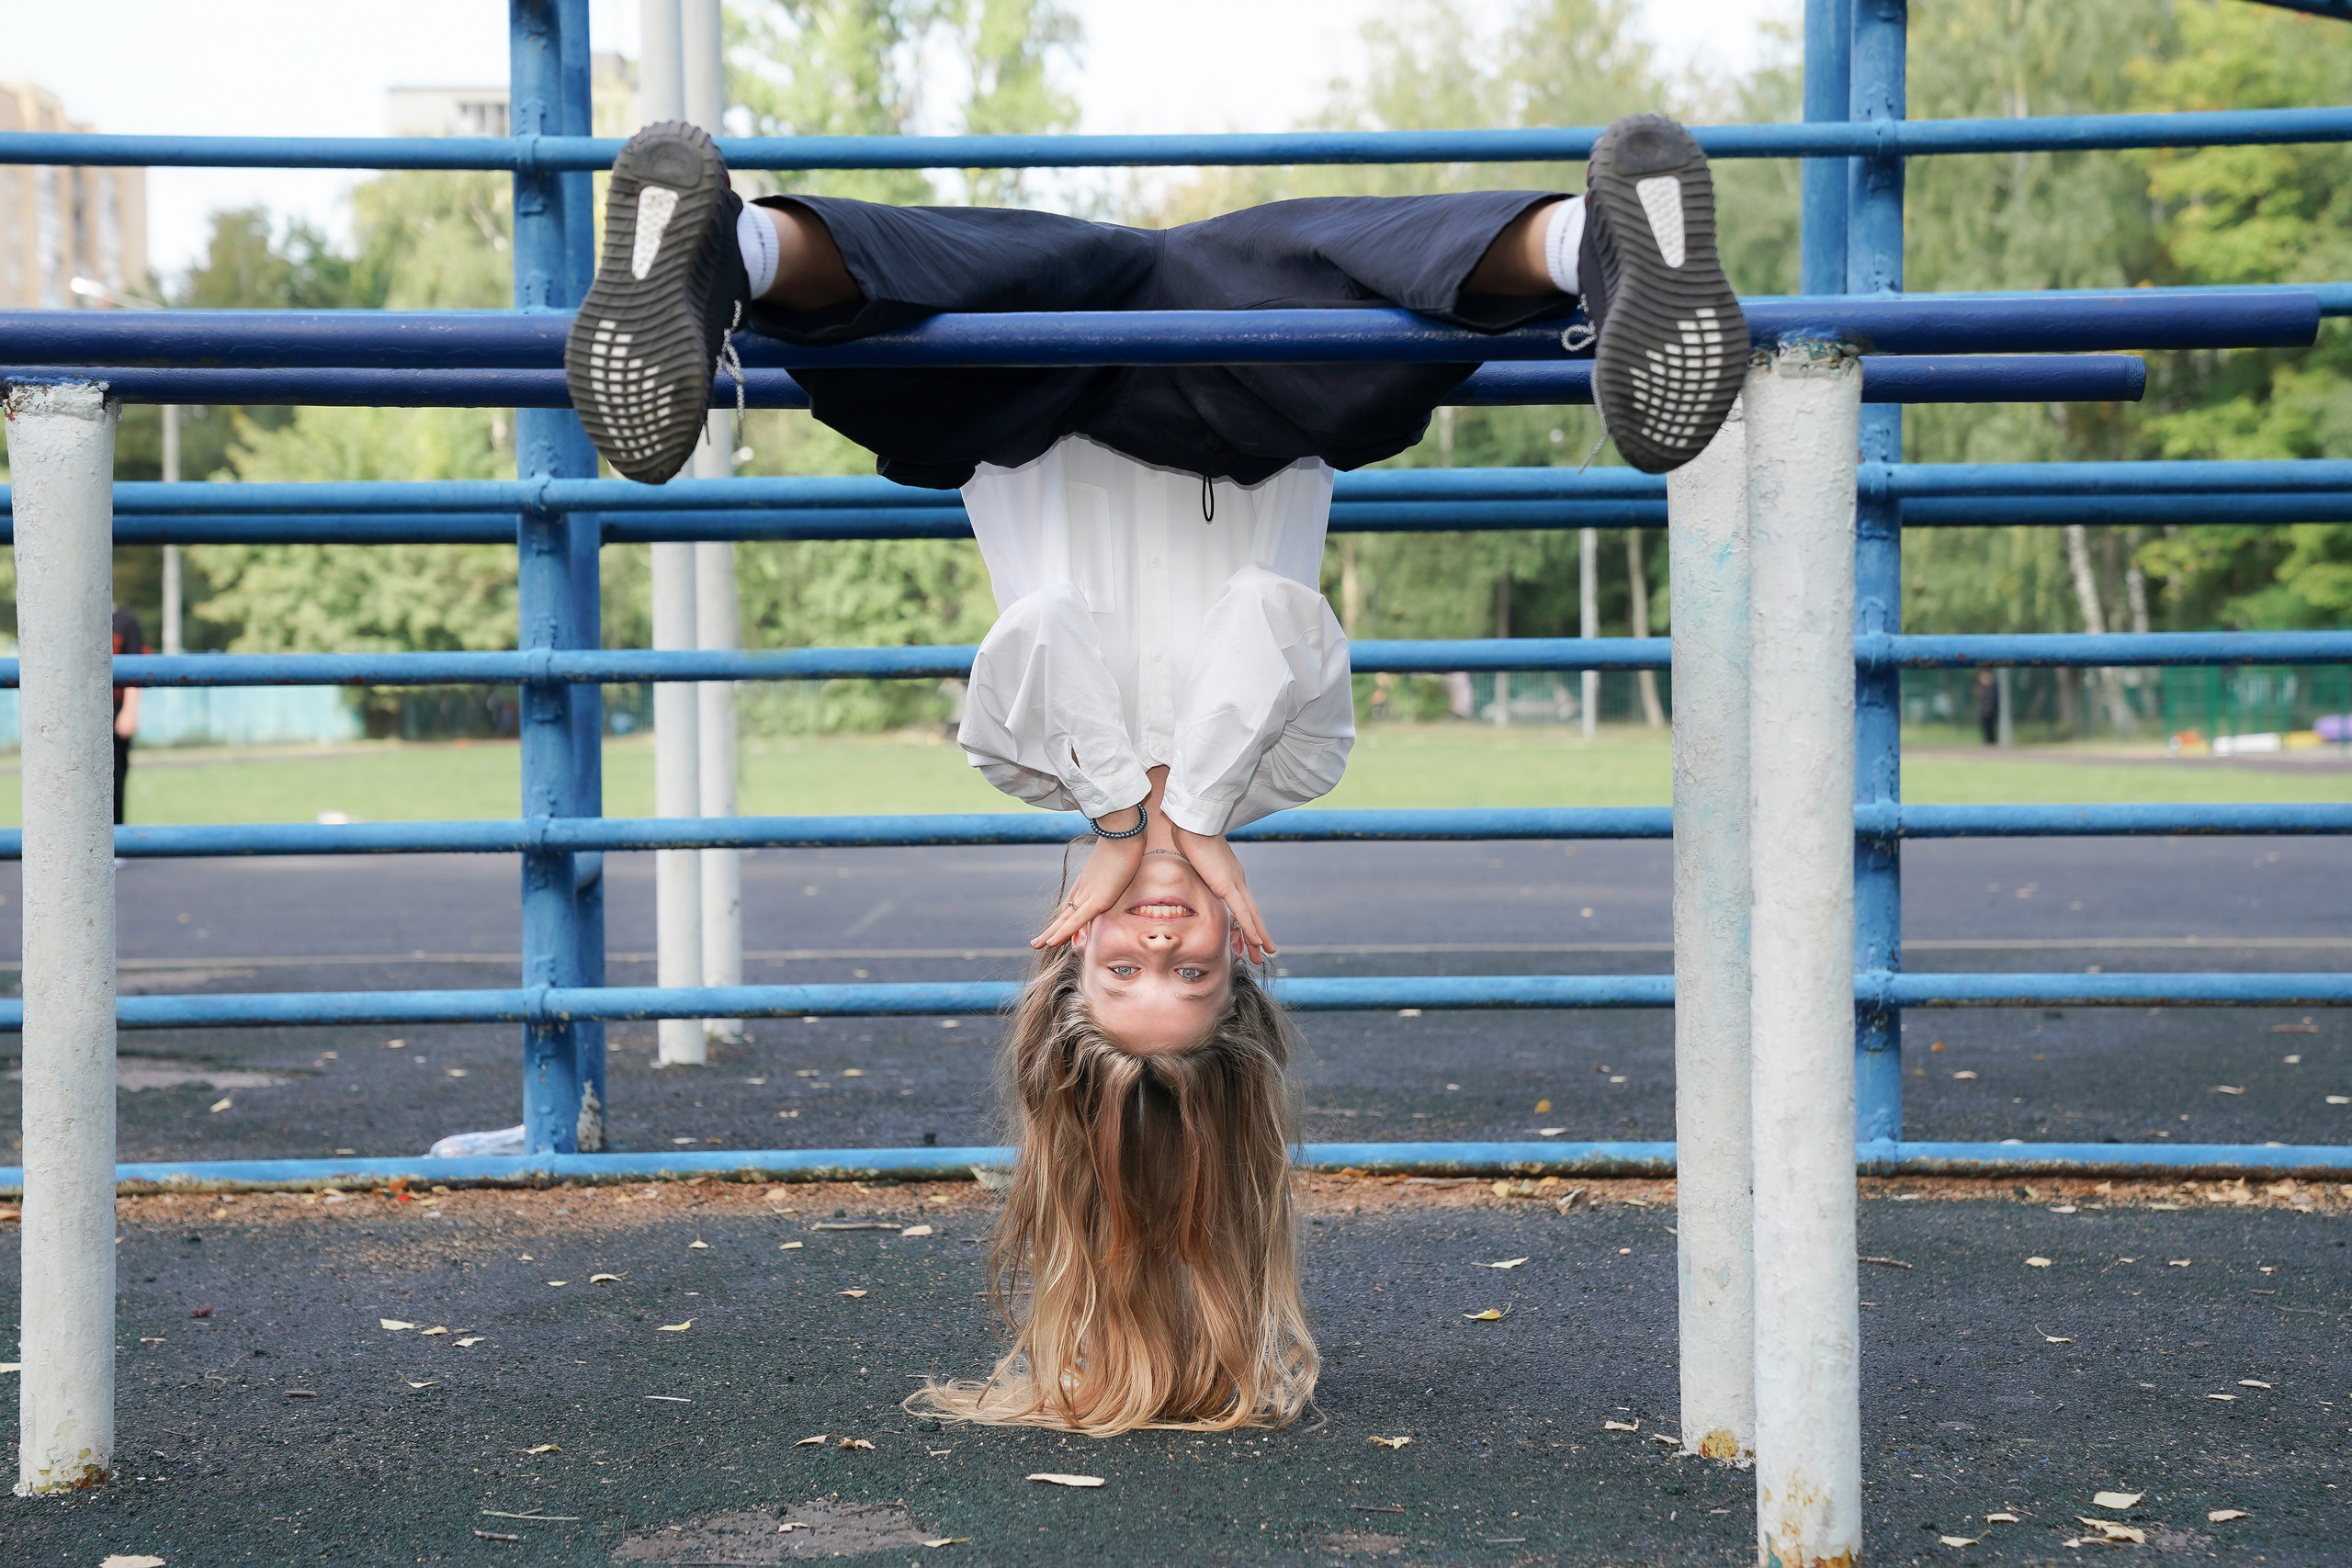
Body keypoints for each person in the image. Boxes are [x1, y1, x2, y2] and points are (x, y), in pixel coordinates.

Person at [566, 116, 1747, 1433]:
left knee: (904, 344)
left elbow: (1041, 635)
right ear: (1243, 958)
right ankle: (1606, 241)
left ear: (1062, 954)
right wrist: (1197, 811)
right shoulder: (1297, 766)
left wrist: (1126, 812)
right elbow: (1267, 610)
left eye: (1123, 971)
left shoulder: (1028, 763)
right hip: (1246, 387)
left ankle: (719, 249)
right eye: (1192, 974)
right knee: (1376, 344)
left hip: (1028, 387)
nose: (1163, 937)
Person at [111, 604, 145, 827]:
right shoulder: (73, 617)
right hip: (77, 712)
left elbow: (136, 667)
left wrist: (130, 711)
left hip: (115, 708)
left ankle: (116, 839)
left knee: (115, 777)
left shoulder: (125, 622)